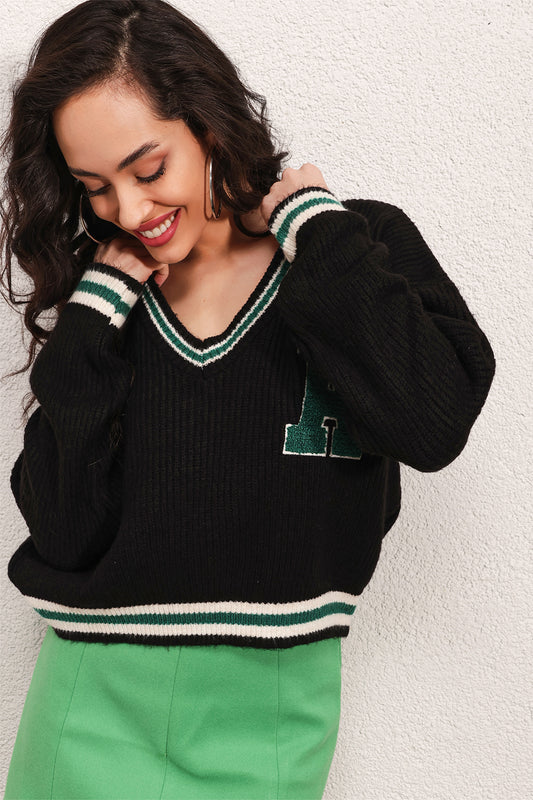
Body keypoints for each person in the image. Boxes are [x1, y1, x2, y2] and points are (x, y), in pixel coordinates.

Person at [0, 1, 496, 798]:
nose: (129, 211)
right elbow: (62, 533)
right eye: (95, 187)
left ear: (209, 123)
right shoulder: (106, 300)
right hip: (90, 703)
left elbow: (432, 424)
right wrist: (88, 328)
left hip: (272, 712)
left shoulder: (351, 248)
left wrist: (314, 231)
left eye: (147, 170)